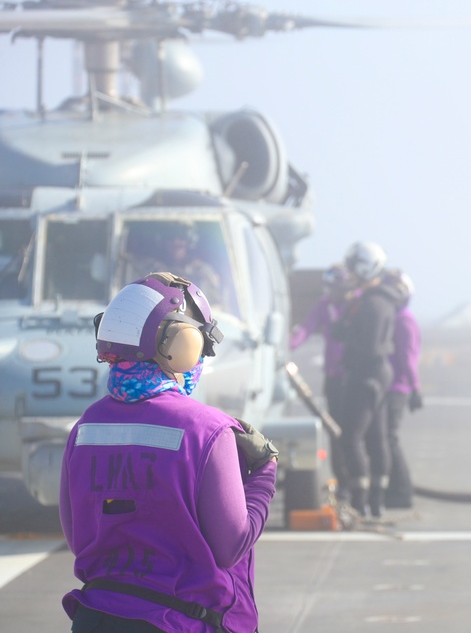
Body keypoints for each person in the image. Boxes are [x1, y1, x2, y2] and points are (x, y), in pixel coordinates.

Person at [60, 272, 279, 633]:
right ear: (183, 344)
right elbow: (232, 545)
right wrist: (265, 475)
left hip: (96, 618)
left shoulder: (87, 427)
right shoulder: (208, 429)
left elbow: (79, 540)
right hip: (180, 621)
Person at [335, 241, 406, 520]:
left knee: (351, 437)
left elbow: (369, 344)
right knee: (376, 437)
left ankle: (361, 500)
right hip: (376, 373)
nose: (348, 275)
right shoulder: (374, 300)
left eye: (352, 270)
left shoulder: (373, 304)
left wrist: (357, 364)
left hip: (367, 374)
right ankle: (375, 501)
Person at [289, 263, 357, 493]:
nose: (332, 293)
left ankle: (361, 481)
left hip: (356, 379)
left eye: (336, 288)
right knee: (335, 430)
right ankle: (344, 482)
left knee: (355, 432)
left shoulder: (358, 304)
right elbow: (306, 328)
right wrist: (286, 347)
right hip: (334, 378)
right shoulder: (324, 306)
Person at [382, 269, 423, 510]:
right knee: (387, 438)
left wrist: (415, 388)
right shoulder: (399, 318)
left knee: (390, 438)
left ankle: (402, 491)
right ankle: (396, 489)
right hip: (395, 384)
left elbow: (407, 357)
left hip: (397, 386)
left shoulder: (403, 320)